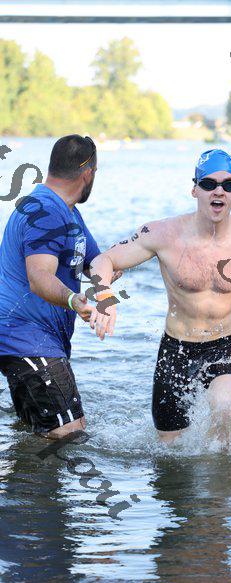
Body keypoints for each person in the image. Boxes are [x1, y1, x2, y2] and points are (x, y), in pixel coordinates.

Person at [89, 149, 231, 447]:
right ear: (195, 190)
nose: (219, 191)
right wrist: (104, 297)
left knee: (228, 410)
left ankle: (223, 476)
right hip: (175, 351)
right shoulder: (163, 233)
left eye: (228, 185)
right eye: (209, 184)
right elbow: (103, 260)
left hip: (225, 346)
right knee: (171, 453)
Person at [0, 135, 119, 439]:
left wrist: (107, 282)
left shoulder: (67, 212)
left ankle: (22, 469)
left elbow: (96, 261)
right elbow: (39, 276)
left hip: (36, 340)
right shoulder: (45, 211)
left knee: (38, 434)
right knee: (69, 432)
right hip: (25, 338)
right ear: (88, 174)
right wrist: (73, 299)